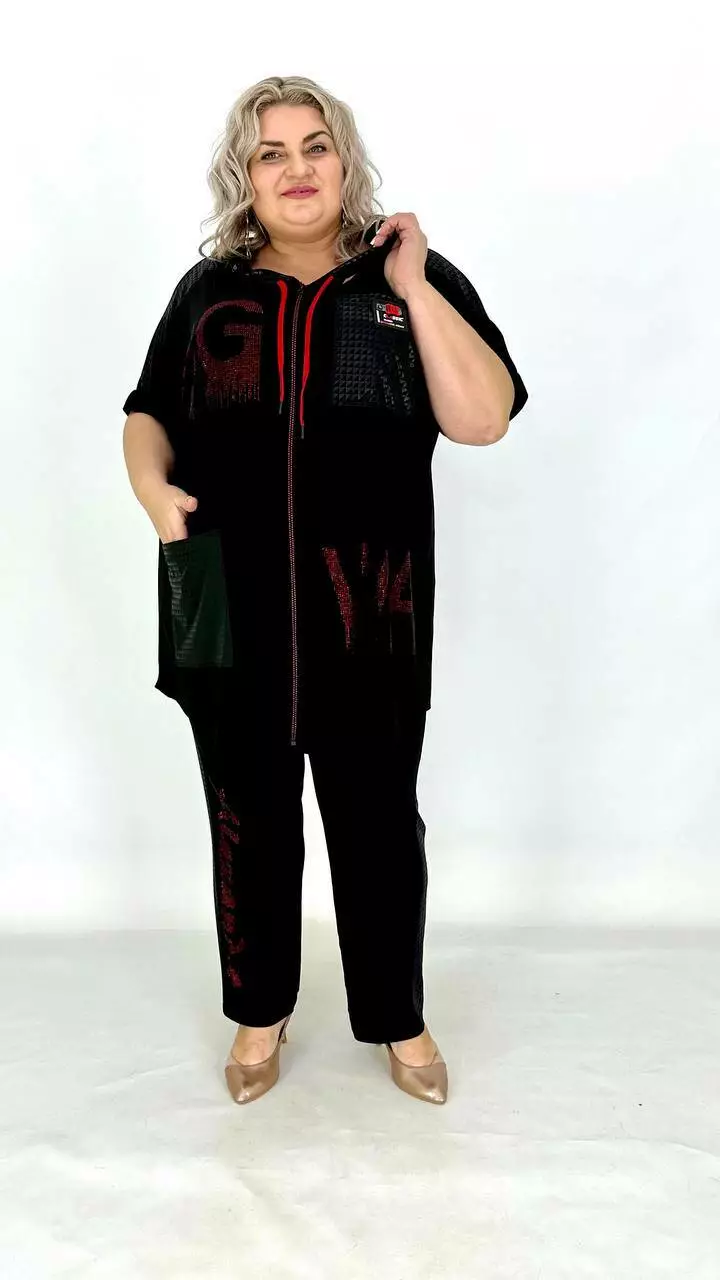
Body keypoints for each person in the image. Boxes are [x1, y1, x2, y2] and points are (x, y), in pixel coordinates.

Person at [122, 75, 529, 1106]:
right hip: (225, 602)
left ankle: (398, 1015)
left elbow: (483, 418)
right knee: (246, 820)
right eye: (271, 152)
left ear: (345, 162)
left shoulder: (404, 284)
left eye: (316, 146)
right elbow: (148, 409)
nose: (296, 167)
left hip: (370, 610)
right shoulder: (208, 293)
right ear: (244, 177)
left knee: (378, 825)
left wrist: (418, 285)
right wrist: (153, 492)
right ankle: (259, 1011)